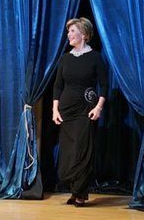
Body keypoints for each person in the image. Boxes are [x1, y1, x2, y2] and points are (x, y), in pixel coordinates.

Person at [52, 17, 108, 207]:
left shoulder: (95, 57)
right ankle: (75, 190)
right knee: (68, 153)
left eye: (72, 31)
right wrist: (54, 110)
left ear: (83, 34)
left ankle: (81, 194)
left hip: (86, 109)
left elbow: (104, 85)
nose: (69, 34)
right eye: (68, 31)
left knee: (82, 152)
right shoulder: (65, 58)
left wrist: (98, 107)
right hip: (66, 111)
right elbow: (58, 86)